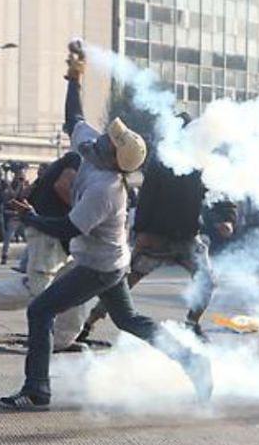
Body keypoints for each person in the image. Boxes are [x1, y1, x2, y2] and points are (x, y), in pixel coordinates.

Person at [0, 40, 212, 410]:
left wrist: (30, 216)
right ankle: (192, 361)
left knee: (40, 310)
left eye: (110, 139)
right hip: (110, 260)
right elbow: (73, 119)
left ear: (116, 155)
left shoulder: (106, 188)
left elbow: (68, 230)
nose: (103, 136)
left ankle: (37, 389)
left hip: (98, 265)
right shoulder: (94, 150)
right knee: (130, 320)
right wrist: (73, 76)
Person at [77, 112, 238, 344]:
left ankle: (192, 324)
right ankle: (88, 324)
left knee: (207, 280)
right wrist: (141, 231)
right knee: (120, 283)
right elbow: (147, 198)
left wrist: (227, 218)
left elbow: (221, 191)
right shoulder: (161, 161)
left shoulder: (202, 160)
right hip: (156, 237)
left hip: (188, 237)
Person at [0, 151, 87, 352]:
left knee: (73, 285)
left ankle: (62, 340)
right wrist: (86, 214)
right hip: (50, 232)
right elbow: (63, 187)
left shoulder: (66, 163)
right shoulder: (78, 159)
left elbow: (29, 191)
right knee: (36, 290)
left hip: (59, 232)